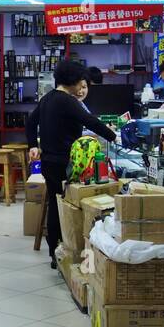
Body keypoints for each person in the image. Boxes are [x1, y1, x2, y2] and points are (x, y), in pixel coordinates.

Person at [26, 59, 118, 268]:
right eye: (80, 81)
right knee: (64, 207)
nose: (81, 86)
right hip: (64, 162)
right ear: (72, 80)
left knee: (54, 203)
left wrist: (33, 145)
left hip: (49, 160)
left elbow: (30, 122)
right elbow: (90, 121)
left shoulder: (48, 98)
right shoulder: (67, 101)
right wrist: (114, 137)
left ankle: (53, 253)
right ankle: (61, 252)